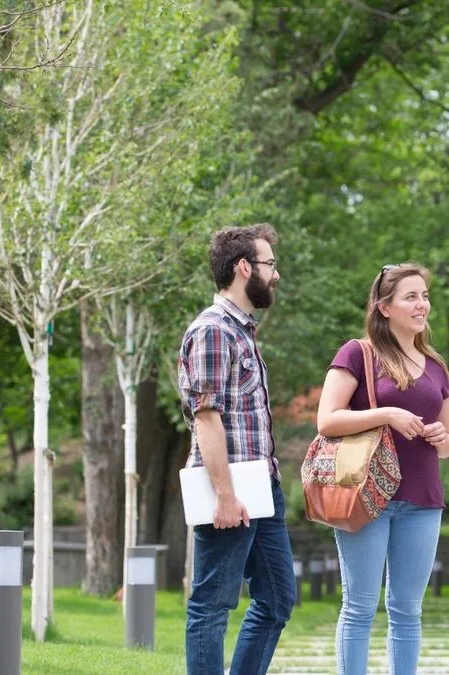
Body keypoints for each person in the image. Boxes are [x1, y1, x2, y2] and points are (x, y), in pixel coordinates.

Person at [315, 262, 449, 675]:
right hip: (366, 495)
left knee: (408, 609)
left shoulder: (436, 366)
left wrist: (440, 439)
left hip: (423, 500)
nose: (422, 304)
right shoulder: (357, 354)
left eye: (425, 295)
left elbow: (448, 442)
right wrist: (389, 414)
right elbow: (327, 420)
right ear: (384, 307)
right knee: (359, 606)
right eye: (411, 296)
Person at [177, 224, 296, 674]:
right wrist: (224, 495)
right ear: (244, 268)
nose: (276, 275)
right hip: (231, 490)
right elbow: (206, 418)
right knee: (212, 602)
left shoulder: (242, 331)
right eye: (269, 265)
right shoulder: (212, 331)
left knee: (278, 598)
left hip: (262, 487)